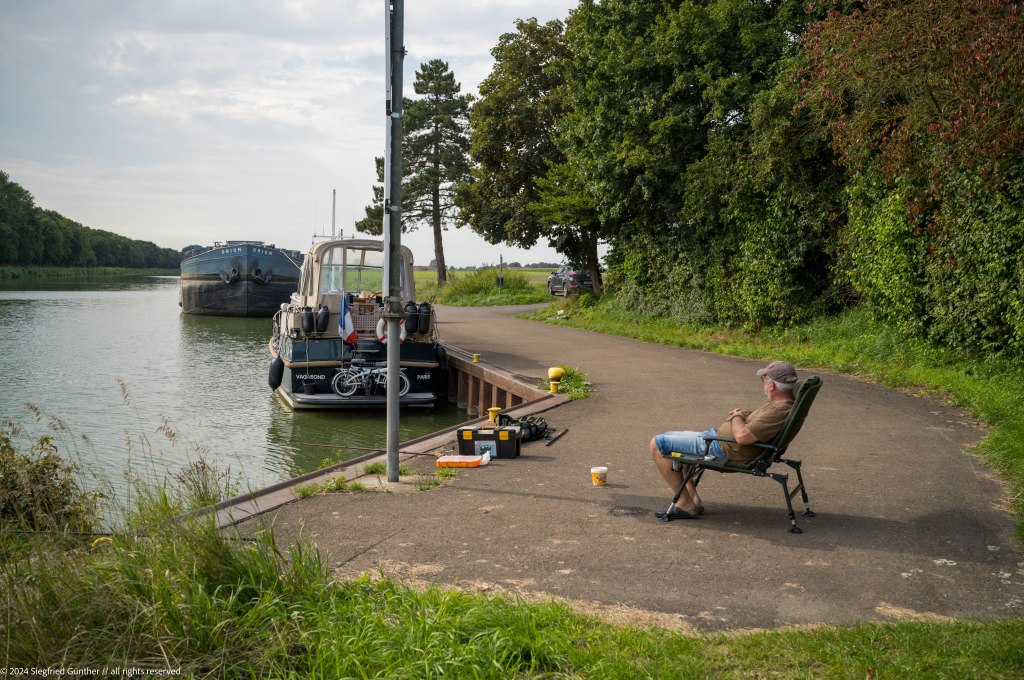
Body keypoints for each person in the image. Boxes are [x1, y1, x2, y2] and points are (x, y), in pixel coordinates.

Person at [649, 360, 799, 521]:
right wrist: (744, 415)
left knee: (657, 444)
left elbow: (742, 436)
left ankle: (685, 504)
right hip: (718, 440)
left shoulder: (779, 409)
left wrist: (736, 417)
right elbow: (758, 425)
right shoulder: (781, 404)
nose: (763, 383)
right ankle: (693, 500)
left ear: (771, 385)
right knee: (669, 438)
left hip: (721, 447)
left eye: (764, 379)